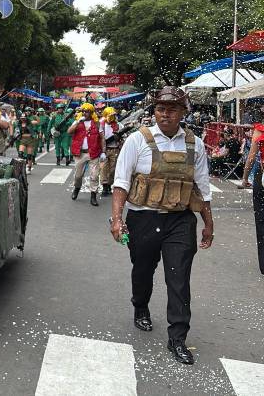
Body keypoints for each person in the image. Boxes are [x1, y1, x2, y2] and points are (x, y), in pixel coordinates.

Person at [110, 87, 213, 365]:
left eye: (172, 109)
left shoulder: (195, 144)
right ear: (154, 111)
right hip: (143, 218)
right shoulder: (137, 140)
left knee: (178, 277)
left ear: (183, 112)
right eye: (160, 109)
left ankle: (177, 337)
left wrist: (208, 224)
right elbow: (121, 182)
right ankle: (140, 306)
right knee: (143, 268)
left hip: (180, 220)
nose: (165, 114)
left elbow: (202, 188)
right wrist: (117, 219)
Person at [68, 102, 104, 206]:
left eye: (87, 111)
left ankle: (93, 196)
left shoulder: (97, 123)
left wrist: (103, 152)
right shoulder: (77, 122)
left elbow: (102, 138)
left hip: (93, 153)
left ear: (91, 112)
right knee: (78, 176)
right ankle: (76, 189)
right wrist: (77, 122)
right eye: (83, 111)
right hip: (80, 154)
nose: (85, 113)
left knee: (94, 175)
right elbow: (69, 132)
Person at [241, 123, 264, 275]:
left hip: (262, 176)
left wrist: (244, 178)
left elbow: (251, 156)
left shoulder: (261, 128)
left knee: (261, 219)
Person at [99, 107, 125, 196]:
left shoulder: (118, 125)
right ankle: (104, 187)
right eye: (110, 115)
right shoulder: (101, 125)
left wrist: (119, 137)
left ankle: (109, 186)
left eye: (113, 115)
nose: (112, 117)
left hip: (115, 149)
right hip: (104, 150)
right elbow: (99, 138)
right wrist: (101, 151)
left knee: (113, 169)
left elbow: (123, 137)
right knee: (103, 169)